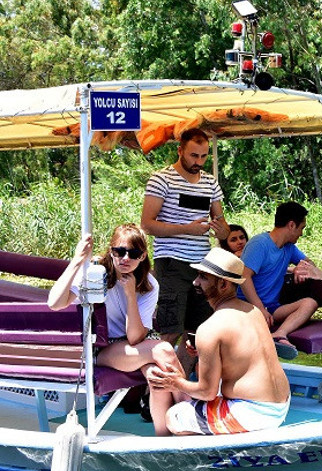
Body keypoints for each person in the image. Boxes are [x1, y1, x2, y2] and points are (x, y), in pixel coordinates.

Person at [47, 224, 182, 435]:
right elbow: (54, 303)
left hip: (135, 346)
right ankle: (193, 408)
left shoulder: (149, 284)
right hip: (104, 348)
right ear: (111, 252)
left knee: (157, 376)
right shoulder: (95, 275)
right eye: (119, 251)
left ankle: (164, 439)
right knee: (164, 350)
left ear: (143, 256)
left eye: (133, 253)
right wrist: (77, 260)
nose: (125, 258)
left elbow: (136, 337)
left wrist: (131, 294)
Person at [146, 248, 290, 436]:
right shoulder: (253, 311)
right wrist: (205, 353)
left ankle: (200, 459)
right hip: (280, 405)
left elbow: (207, 392)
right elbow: (240, 354)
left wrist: (176, 382)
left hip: (252, 413)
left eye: (203, 277)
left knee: (174, 417)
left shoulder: (210, 328)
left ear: (223, 284)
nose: (195, 282)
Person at [140, 128, 229, 373]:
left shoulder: (210, 182)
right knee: (170, 329)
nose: (198, 162)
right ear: (180, 151)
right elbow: (147, 224)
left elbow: (223, 227)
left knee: (198, 333)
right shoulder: (161, 179)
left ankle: (184, 387)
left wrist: (221, 230)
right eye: (193, 156)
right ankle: (150, 393)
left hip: (203, 265)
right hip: (172, 262)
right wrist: (187, 228)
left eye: (203, 157)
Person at [238, 201, 318, 359]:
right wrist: (259, 308)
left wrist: (301, 267)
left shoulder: (289, 247)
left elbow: (311, 264)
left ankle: (280, 334)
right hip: (247, 306)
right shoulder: (259, 244)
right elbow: (244, 277)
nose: (301, 233)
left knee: (310, 303)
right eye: (301, 228)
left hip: (272, 308)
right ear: (291, 225)